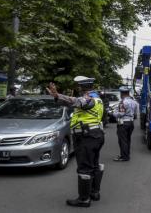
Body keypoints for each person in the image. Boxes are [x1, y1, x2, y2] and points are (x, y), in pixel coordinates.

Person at [46, 76, 105, 207]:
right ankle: (94, 193)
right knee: (93, 165)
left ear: (82, 87)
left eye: (79, 86)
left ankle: (84, 199)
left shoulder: (89, 98)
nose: (77, 88)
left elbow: (76, 102)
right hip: (95, 135)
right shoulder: (98, 98)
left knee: (84, 168)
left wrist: (57, 95)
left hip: (87, 137)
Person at [113, 86, 139, 162]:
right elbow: (135, 113)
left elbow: (121, 114)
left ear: (122, 93)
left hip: (123, 123)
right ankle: (126, 155)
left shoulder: (123, 102)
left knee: (122, 140)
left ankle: (124, 157)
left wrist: (114, 113)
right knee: (128, 140)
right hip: (131, 122)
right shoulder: (134, 102)